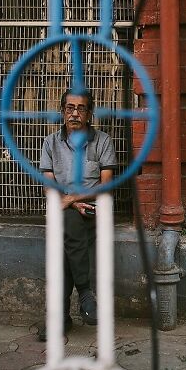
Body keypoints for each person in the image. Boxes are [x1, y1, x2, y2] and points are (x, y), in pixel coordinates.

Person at [37, 89, 118, 340]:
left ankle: (59, 318)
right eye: (69, 108)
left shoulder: (102, 141)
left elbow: (105, 186)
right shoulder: (50, 143)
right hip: (66, 210)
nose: (75, 113)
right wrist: (71, 203)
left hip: (94, 209)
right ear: (62, 112)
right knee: (70, 224)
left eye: (81, 108)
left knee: (66, 241)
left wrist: (73, 199)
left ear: (89, 114)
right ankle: (85, 292)